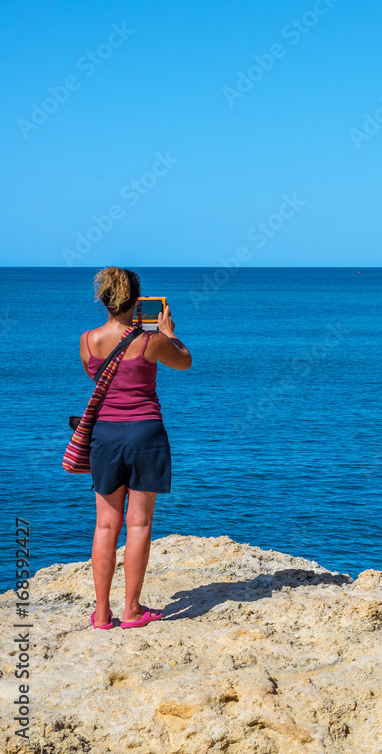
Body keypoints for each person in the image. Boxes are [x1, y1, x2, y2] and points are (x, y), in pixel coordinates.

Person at [80, 267, 191, 629]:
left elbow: (95, 374)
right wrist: (170, 333)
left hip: (105, 436)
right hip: (146, 434)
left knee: (105, 526)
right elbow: (185, 360)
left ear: (105, 300)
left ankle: (101, 614)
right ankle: (131, 611)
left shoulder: (89, 340)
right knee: (139, 523)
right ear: (136, 301)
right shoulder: (151, 341)